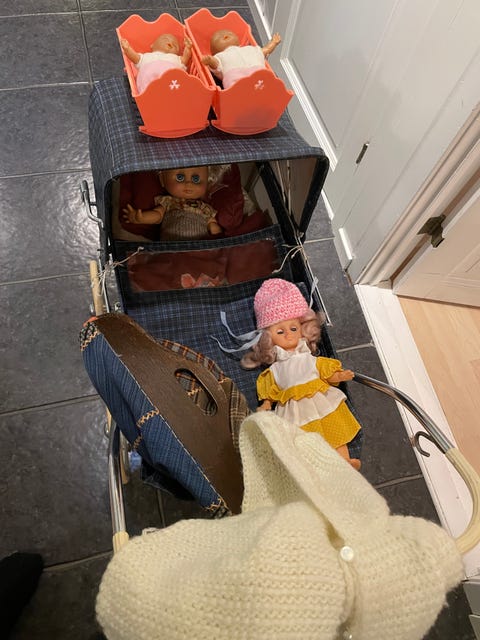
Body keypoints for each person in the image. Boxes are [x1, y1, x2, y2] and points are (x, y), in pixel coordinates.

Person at [241, 278, 362, 469]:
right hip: (293, 410)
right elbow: (271, 388)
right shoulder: (275, 369)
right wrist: (266, 404)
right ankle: (315, 467)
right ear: (268, 339)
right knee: (301, 438)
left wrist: (338, 376)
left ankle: (344, 461)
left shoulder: (308, 357)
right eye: (280, 332)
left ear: (303, 329)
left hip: (320, 400)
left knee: (334, 428)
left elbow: (323, 370)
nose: (288, 334)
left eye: (293, 328)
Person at [122, 165, 223, 240]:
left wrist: (217, 234)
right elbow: (158, 215)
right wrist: (141, 218)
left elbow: (211, 222)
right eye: (180, 177)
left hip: (199, 247)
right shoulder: (169, 202)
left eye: (196, 179)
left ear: (207, 182)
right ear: (162, 179)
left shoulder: (203, 207)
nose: (188, 183)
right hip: (171, 246)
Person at [201, 29, 281, 89]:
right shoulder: (220, 56)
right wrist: (210, 61)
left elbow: (266, 50)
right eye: (217, 39)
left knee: (267, 79)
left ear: (238, 42)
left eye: (229, 33)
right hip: (237, 80)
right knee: (239, 89)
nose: (224, 35)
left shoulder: (249, 48)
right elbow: (216, 66)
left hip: (259, 75)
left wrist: (273, 43)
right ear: (215, 52)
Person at [120, 33, 192, 93]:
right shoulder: (147, 56)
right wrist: (127, 49)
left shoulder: (176, 58)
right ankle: (147, 96)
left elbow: (185, 59)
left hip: (172, 85)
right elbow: (135, 58)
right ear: (152, 45)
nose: (170, 42)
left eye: (175, 46)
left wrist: (188, 48)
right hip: (147, 84)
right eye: (164, 38)